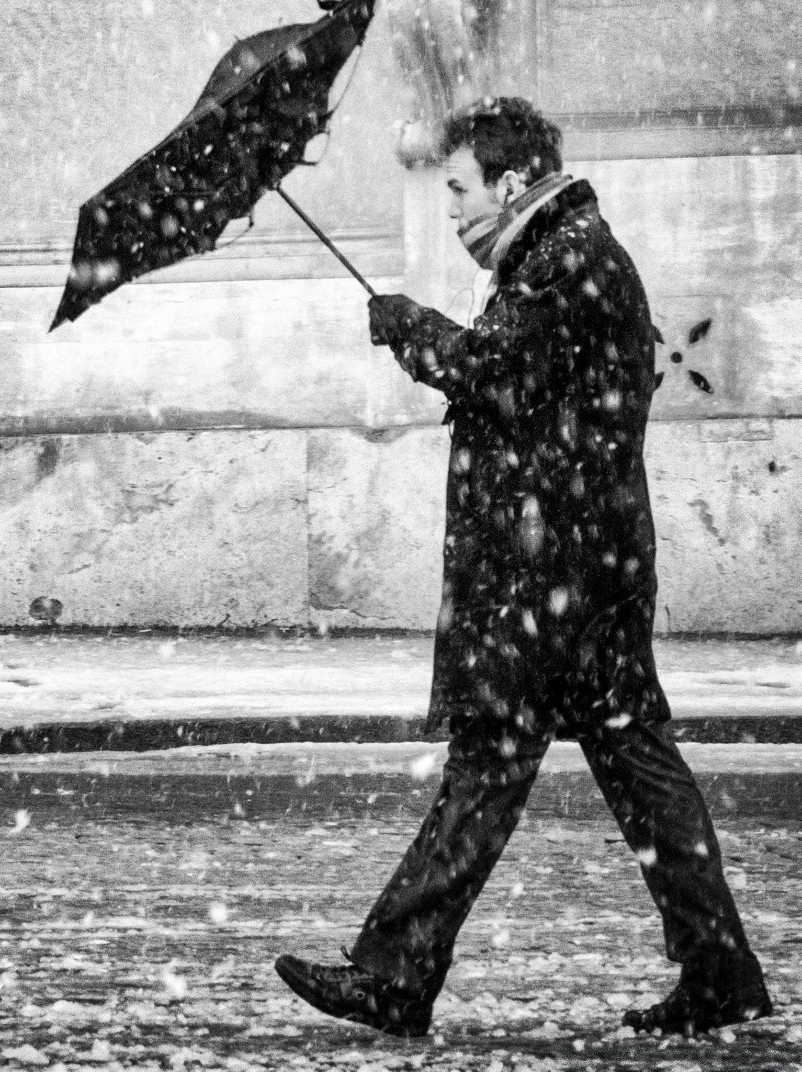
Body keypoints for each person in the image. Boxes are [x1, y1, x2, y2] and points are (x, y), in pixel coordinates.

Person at [273, 98, 773, 1039]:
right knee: (621, 763)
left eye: (458, 189)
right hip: (579, 570)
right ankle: (717, 972)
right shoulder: (565, 251)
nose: (453, 211)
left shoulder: (564, 260)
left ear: (511, 183)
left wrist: (409, 329)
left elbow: (492, 372)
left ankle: (397, 975)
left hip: (555, 582)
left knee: (497, 764)